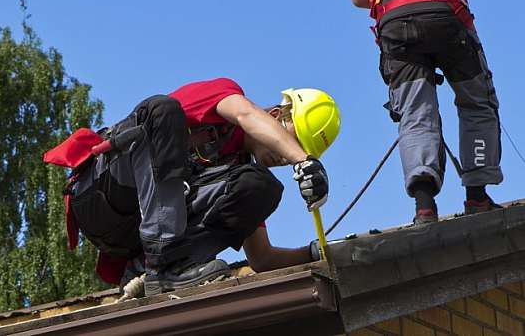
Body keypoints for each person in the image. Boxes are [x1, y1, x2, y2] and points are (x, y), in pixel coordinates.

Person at [43, 77, 340, 296]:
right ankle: (165, 263)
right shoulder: (225, 97)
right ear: (276, 116)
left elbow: (262, 258)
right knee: (161, 110)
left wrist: (316, 252)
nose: (282, 156)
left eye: (293, 152)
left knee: (260, 187)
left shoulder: (237, 173)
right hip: (103, 192)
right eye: (292, 138)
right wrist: (303, 160)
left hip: (133, 235)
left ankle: (161, 268)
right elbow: (246, 115)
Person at [344, 0, 503, 224]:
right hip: (443, 16)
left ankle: (424, 207)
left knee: (415, 112)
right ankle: (477, 198)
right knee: (476, 101)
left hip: (393, 26)